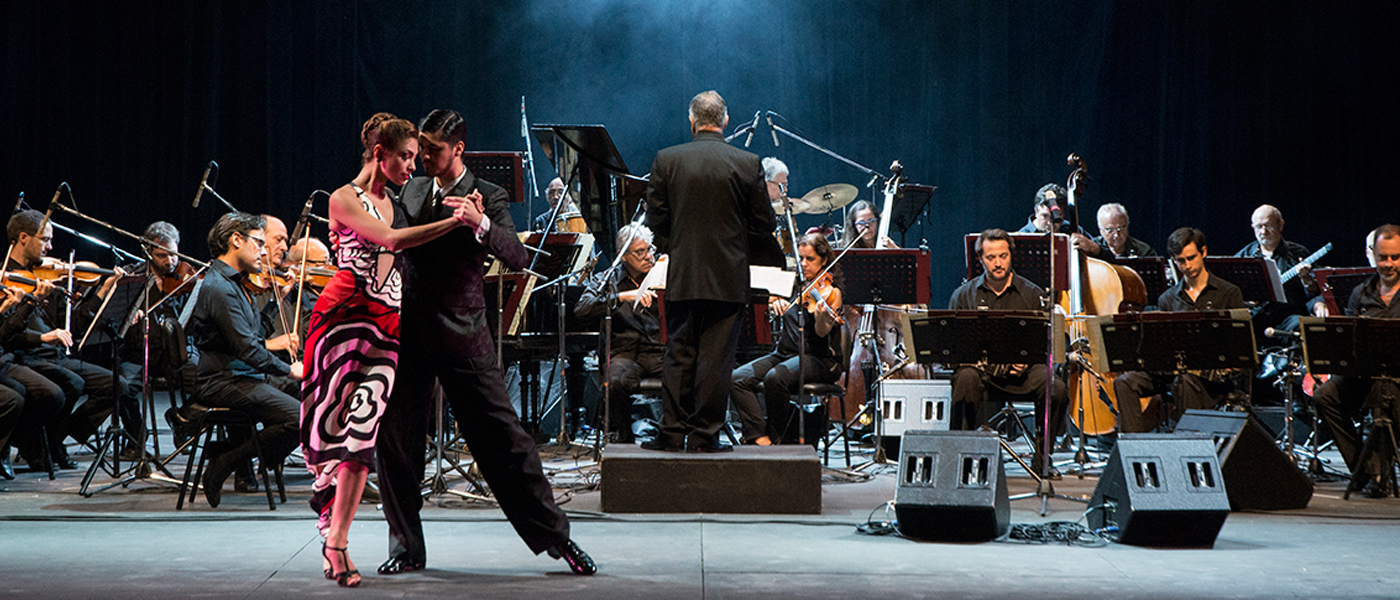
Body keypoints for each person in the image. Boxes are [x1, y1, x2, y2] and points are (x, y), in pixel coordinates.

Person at [377, 108, 594, 577]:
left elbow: (517, 255)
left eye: (433, 149)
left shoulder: (489, 195)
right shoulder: (412, 189)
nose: (424, 157)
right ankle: (406, 546)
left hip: (464, 334)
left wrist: (480, 223)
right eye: (421, 148)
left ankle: (557, 538)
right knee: (393, 439)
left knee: (507, 442)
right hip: (411, 333)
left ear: (458, 148)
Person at [301, 112, 472, 587]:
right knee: (337, 435)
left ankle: (336, 542)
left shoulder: (396, 201)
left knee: (362, 437)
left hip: (385, 330)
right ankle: (336, 542)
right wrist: (456, 222)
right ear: (380, 154)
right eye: (406, 157)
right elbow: (393, 241)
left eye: (415, 158)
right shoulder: (342, 198)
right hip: (342, 325)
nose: (413, 167)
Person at [643, 90, 776, 453]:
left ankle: (671, 434)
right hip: (728, 277)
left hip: (683, 273)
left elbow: (656, 220)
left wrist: (677, 248)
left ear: (692, 121)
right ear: (726, 121)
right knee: (716, 361)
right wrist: (736, 247)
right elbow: (764, 223)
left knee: (678, 354)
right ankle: (704, 438)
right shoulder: (747, 162)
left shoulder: (667, 159)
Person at [2, 209, 138, 467]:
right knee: (71, 384)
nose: (50, 248)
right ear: (23, 238)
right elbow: (7, 335)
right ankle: (36, 443)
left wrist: (103, 291)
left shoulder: (47, 276)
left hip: (55, 356)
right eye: (45, 240)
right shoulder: (7, 279)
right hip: (27, 357)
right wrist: (43, 336)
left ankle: (57, 437)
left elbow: (72, 326)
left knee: (118, 386)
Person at [185, 212, 303, 508]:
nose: (263, 251)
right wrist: (289, 370)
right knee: (301, 419)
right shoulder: (220, 288)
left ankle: (237, 454)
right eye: (259, 243)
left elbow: (254, 334)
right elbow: (249, 350)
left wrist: (276, 301)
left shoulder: (235, 284)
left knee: (310, 399)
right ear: (236, 240)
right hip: (223, 380)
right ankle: (227, 459)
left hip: (242, 376)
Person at [947, 228, 1069, 475]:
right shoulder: (963, 296)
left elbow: (1047, 344)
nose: (998, 263)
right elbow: (953, 348)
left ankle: (1043, 457)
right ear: (981, 259)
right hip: (982, 374)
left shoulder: (1033, 294)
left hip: (1023, 374)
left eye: (1003, 256)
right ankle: (962, 456)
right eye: (991, 257)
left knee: (1055, 387)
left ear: (1011, 256)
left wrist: (1027, 360)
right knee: (964, 377)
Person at [1113, 227, 1246, 433]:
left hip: (1211, 378)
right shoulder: (1167, 298)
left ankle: (1189, 442)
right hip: (1174, 372)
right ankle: (1132, 444)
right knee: (1125, 382)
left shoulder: (1228, 293)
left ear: (1203, 252)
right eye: (1180, 261)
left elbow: (1239, 346)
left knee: (1185, 380)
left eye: (1191, 258)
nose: (1187, 266)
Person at [1312, 224, 1400, 498]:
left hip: (1397, 379)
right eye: (1382, 257)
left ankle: (1379, 473)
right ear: (1373, 255)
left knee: (1384, 391)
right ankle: (1363, 468)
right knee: (1324, 395)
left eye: (1395, 257)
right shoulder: (1360, 293)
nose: (1388, 264)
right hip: (1365, 373)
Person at [731, 232, 844, 445]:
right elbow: (764, 295)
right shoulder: (792, 285)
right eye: (801, 258)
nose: (804, 264)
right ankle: (760, 436)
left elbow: (822, 332)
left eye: (810, 259)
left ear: (824, 260)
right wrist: (774, 301)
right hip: (785, 353)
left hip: (819, 359)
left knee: (775, 378)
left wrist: (822, 317)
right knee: (737, 378)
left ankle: (779, 438)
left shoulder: (831, 293)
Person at [574, 223, 664, 444]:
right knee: (615, 381)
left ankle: (669, 435)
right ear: (623, 255)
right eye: (640, 252)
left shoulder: (662, 273)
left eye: (650, 249)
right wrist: (623, 297)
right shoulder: (609, 279)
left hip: (661, 351)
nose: (648, 256)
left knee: (687, 373)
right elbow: (582, 309)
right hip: (625, 353)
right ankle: (625, 439)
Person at [1234, 204, 1319, 330]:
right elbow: (1231, 291)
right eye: (1259, 227)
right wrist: (1246, 300)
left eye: (1268, 226)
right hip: (1256, 316)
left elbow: (1315, 292)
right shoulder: (1244, 256)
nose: (1264, 232)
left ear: (1280, 225)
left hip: (1288, 316)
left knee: (1301, 326)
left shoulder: (1297, 253)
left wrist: (1307, 280)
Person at [1018, 183, 1101, 256]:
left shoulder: (1070, 229)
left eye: (1056, 217)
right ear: (1036, 211)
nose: (1050, 223)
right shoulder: (1022, 236)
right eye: (1045, 216)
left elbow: (1104, 251)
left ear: (1063, 214)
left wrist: (1095, 248)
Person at [1089, 203, 1156, 259]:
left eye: (1121, 228)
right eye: (1110, 230)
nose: (1116, 235)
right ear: (1100, 229)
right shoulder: (1091, 249)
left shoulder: (1144, 252)